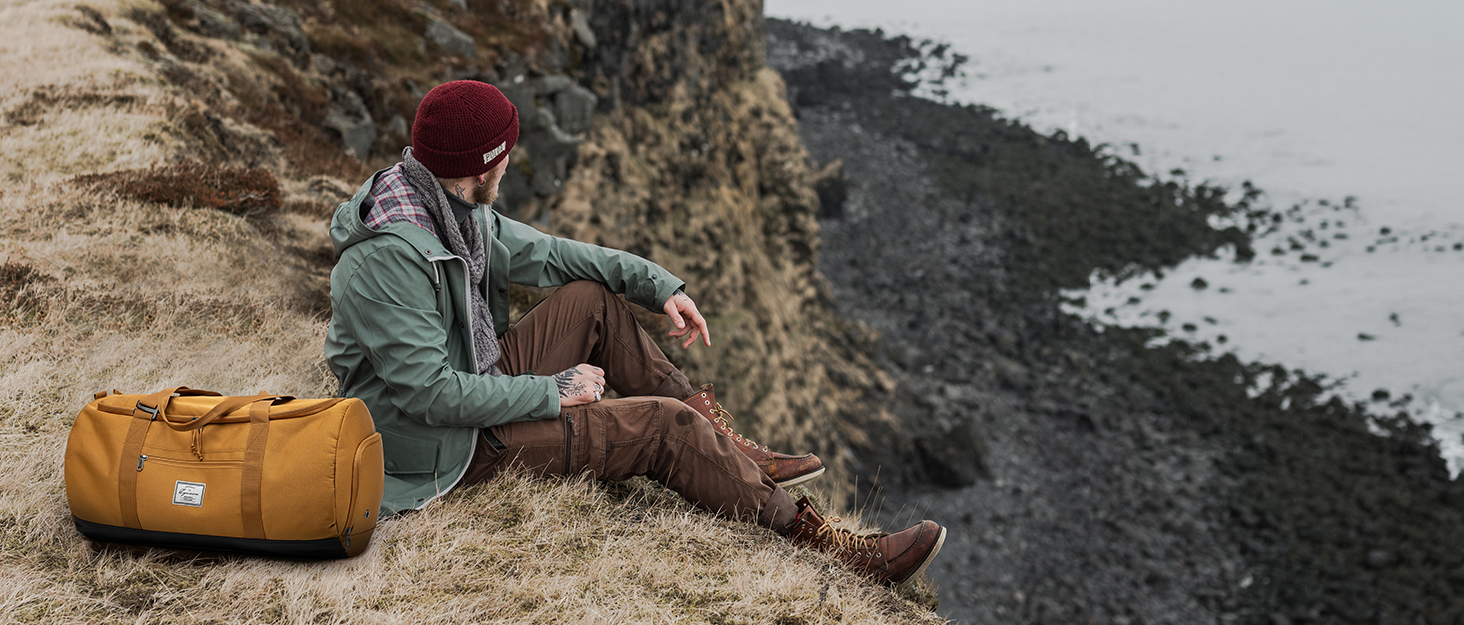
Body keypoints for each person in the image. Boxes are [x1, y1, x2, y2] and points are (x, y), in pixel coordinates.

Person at [324, 80, 945, 585]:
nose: (511, 159)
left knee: (591, 299)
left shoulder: (449, 208)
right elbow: (428, 396)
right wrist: (552, 391)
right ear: (482, 163)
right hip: (442, 451)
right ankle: (829, 547)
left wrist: (659, 285)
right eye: (504, 149)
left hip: (474, 385)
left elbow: (557, 256)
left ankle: (730, 452)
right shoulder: (389, 256)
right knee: (656, 428)